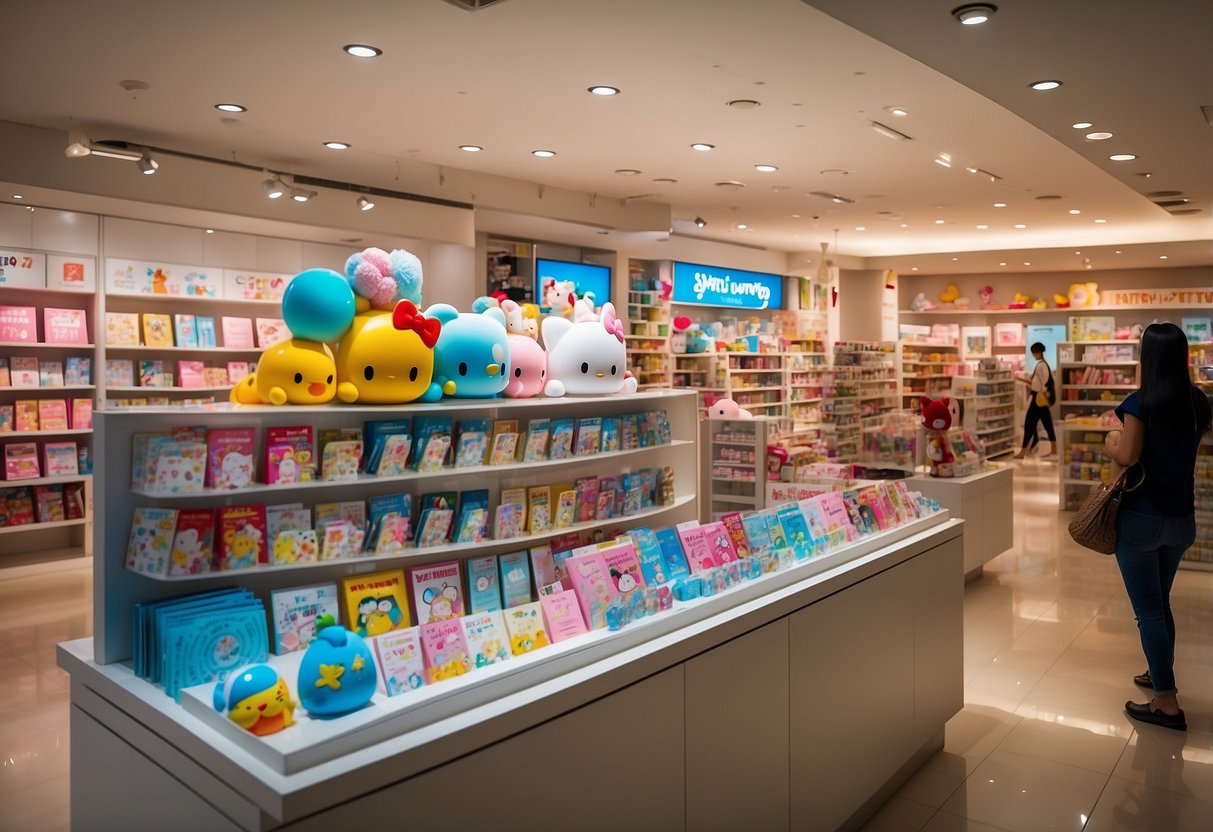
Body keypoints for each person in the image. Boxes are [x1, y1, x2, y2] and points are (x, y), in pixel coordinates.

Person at [1105, 322, 1212, 732]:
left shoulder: (1140, 403)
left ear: (1147, 357)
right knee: (1161, 603)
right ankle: (1157, 671)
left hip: (1141, 521)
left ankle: (1165, 702)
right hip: (1181, 520)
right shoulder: (1197, 402)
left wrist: (1112, 442)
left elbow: (1128, 455)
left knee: (1148, 610)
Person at [1014, 342, 1057, 459]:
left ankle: (1024, 451)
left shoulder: (1041, 365)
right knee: (1046, 424)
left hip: (1038, 398)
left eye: (1033, 352)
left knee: (1029, 424)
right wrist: (1023, 380)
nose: (1033, 355)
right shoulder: (1043, 364)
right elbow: (1038, 383)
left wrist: (1024, 380)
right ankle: (1053, 449)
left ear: (1037, 352)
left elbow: (1042, 383)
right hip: (1040, 399)